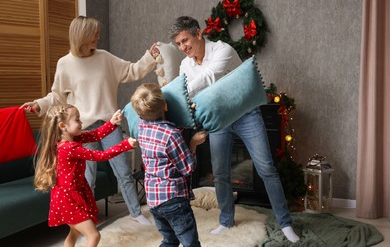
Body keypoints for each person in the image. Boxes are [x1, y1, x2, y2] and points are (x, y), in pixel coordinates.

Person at [168, 16, 300, 243]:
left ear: (199, 34)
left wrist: (185, 93)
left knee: (266, 168)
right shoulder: (185, 64)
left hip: (246, 116)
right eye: (178, 44)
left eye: (185, 40)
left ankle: (285, 223)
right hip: (220, 120)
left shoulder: (223, 50)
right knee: (220, 173)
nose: (183, 48)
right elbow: (186, 90)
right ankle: (226, 220)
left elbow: (208, 78)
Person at [22, 16, 160, 225]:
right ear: (82, 36)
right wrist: (38, 104)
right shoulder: (65, 64)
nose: (98, 37)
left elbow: (132, 70)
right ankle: (87, 221)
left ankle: (136, 213)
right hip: (81, 128)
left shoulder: (105, 58)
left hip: (109, 125)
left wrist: (150, 57)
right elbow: (57, 96)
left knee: (123, 172)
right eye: (94, 34)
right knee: (87, 179)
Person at [34, 104, 138, 247]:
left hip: (70, 194)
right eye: (77, 120)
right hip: (68, 198)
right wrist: (125, 145)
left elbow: (95, 134)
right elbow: (101, 156)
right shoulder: (69, 148)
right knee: (94, 236)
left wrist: (111, 123)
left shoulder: (75, 139)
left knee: (74, 233)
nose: (81, 123)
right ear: (63, 126)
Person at [130, 83, 207, 247]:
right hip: (173, 199)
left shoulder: (141, 126)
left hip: (153, 199)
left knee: (170, 241)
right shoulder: (171, 135)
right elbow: (188, 168)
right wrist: (193, 143)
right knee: (190, 242)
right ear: (165, 106)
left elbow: (160, 127)